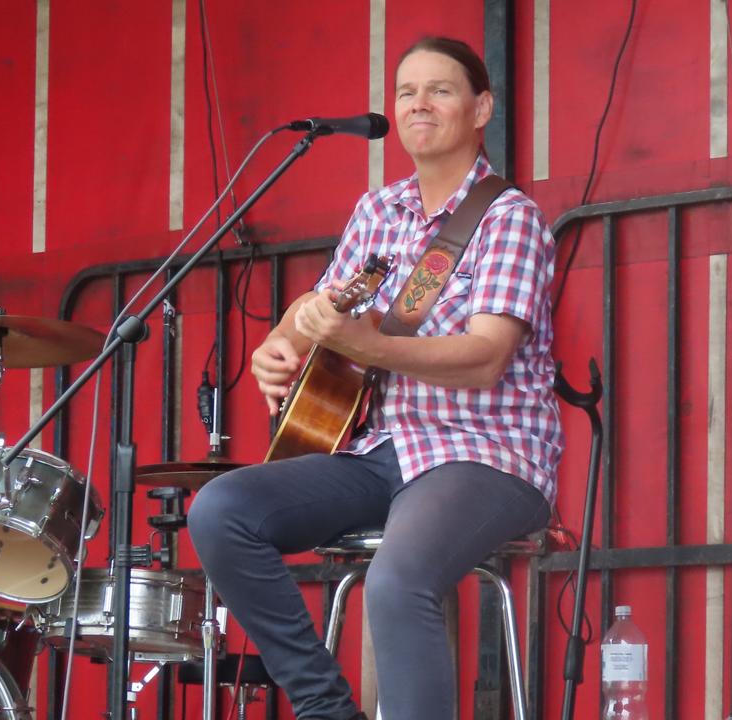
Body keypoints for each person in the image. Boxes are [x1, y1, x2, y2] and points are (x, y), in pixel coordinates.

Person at [188, 35, 562, 720]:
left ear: (482, 108)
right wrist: (280, 344)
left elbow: (485, 357)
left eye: (440, 90)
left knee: (397, 580)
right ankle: (327, 708)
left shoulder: (510, 218)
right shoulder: (377, 212)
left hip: (489, 453)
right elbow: (321, 312)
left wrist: (366, 345)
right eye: (406, 92)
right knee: (221, 509)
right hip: (383, 452)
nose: (419, 103)